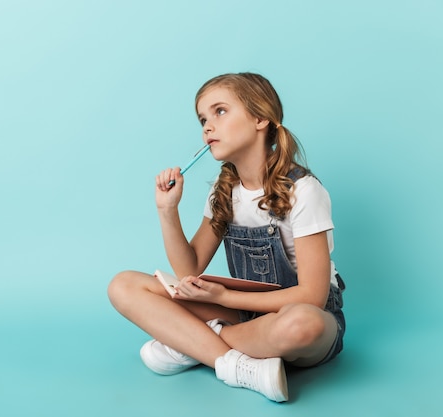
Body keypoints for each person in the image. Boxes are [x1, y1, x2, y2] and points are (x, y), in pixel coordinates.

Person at [107, 72, 345, 403]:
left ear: (261, 117)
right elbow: (188, 269)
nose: (207, 126)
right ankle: (233, 363)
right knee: (124, 285)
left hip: (297, 316)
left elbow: (312, 298)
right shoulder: (225, 193)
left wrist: (224, 298)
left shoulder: (303, 191)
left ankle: (193, 344)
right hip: (247, 317)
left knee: (302, 325)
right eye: (203, 118)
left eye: (220, 111)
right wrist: (167, 211)